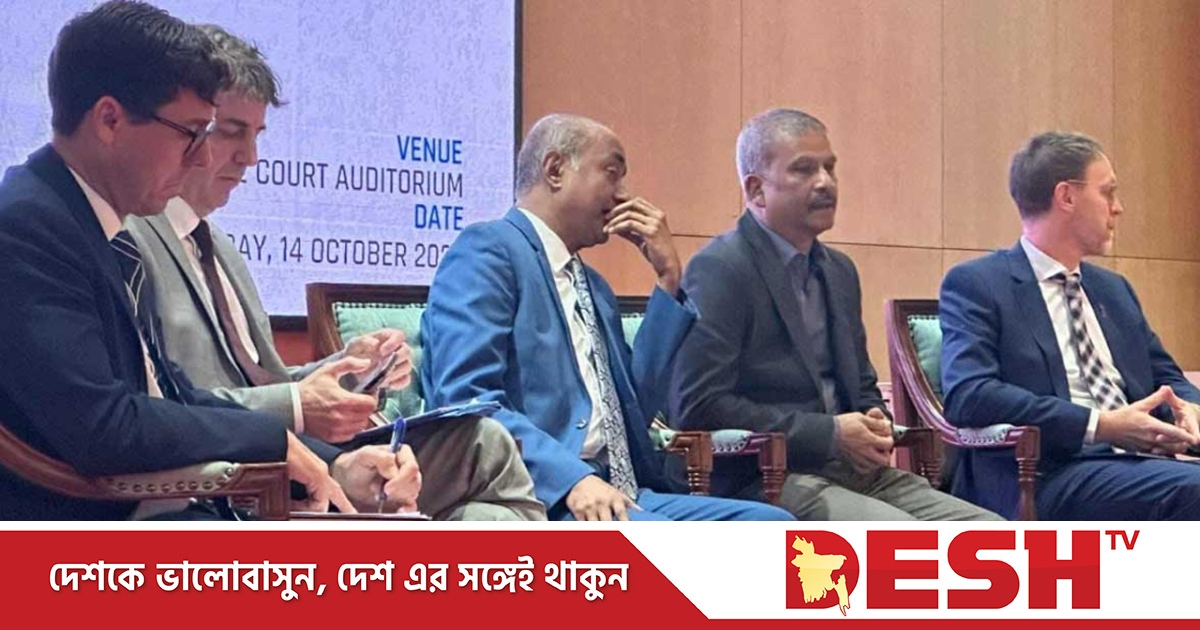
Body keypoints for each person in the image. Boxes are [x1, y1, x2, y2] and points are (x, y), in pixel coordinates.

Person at [126, 24, 543, 521]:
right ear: (187, 127)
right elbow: (166, 405)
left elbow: (263, 378)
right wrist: (299, 407)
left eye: (256, 136)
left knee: (485, 451)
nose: (250, 158)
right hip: (242, 472)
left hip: (301, 453)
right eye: (231, 132)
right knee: (484, 454)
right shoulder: (130, 239)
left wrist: (350, 371)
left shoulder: (220, 247)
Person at [0, 0, 398, 520]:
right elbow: (104, 427)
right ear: (110, 120)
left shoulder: (90, 223)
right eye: (191, 133)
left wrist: (328, 461)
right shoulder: (27, 227)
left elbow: (172, 395)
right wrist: (271, 441)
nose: (204, 157)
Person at [420, 113, 792, 521]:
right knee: (677, 545)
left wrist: (668, 279)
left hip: (624, 487)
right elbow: (468, 401)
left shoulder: (592, 286)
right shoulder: (488, 251)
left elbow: (634, 409)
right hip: (546, 493)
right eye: (611, 173)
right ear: (555, 169)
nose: (623, 195)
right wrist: (571, 479)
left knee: (775, 527)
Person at [671, 108, 1000, 521]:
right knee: (905, 541)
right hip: (765, 477)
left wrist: (873, 420)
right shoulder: (721, 269)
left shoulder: (839, 271)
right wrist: (830, 434)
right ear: (756, 190)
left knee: (995, 535)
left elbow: (860, 384)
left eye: (829, 167)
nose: (825, 182)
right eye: (804, 169)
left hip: (854, 471)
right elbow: (699, 406)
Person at [939, 130, 1200, 520]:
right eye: (1108, 193)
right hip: (1046, 472)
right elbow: (969, 395)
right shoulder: (979, 284)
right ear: (1066, 196)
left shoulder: (1113, 290)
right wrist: (1100, 425)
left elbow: (1164, 375)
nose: (1118, 208)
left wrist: (1189, 408)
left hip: (1140, 465)